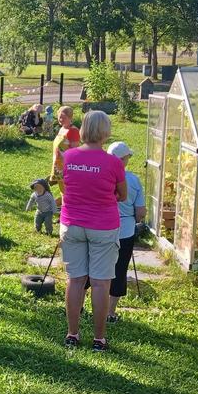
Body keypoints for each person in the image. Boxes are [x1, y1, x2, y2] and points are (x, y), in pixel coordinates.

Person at [59, 111, 127, 353]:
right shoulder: (113, 162)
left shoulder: (68, 156)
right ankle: (99, 339)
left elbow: (65, 186)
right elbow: (123, 195)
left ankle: (72, 334)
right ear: (105, 131)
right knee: (100, 283)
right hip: (103, 226)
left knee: (75, 279)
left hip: (72, 223)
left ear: (84, 129)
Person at [107, 141, 145, 323]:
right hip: (125, 230)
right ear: (123, 159)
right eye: (128, 157)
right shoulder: (133, 180)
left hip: (101, 228)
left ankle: (80, 305)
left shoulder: (101, 176)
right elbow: (140, 212)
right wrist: (135, 219)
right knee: (119, 269)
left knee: (92, 266)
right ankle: (110, 312)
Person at [49, 105, 80, 197]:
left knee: (67, 190)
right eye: (59, 117)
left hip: (67, 165)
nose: (60, 119)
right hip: (58, 163)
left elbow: (74, 151)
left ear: (70, 118)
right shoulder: (62, 129)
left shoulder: (73, 131)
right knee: (62, 189)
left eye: (63, 117)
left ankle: (67, 204)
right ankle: (63, 203)